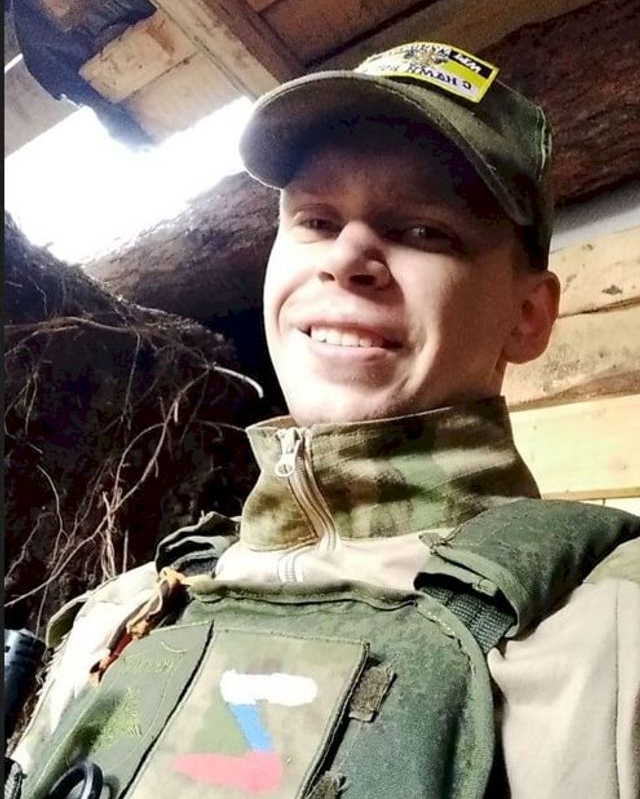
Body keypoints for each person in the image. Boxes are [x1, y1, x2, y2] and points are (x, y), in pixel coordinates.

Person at [11, 42, 640, 799]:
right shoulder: (123, 613)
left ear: (529, 315)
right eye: (315, 219)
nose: (347, 258)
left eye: (424, 230)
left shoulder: (612, 628)